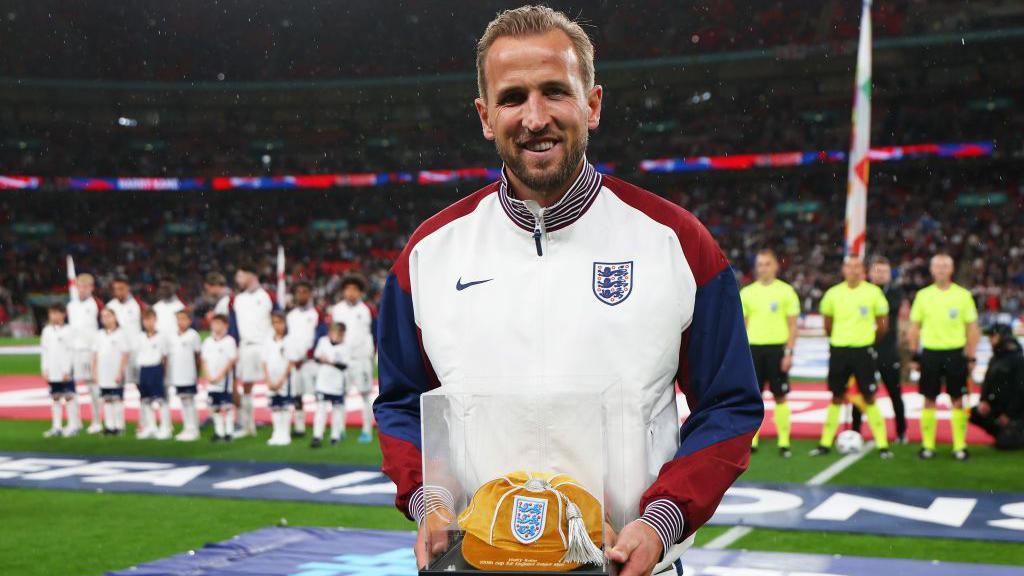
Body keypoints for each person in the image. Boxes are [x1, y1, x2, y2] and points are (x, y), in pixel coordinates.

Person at [373, 7, 762, 575]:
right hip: (478, 560)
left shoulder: (677, 243)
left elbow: (729, 404)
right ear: (485, 116)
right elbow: (402, 403)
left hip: (628, 564)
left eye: (555, 91)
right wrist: (427, 500)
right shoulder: (428, 254)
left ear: (593, 104)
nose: (534, 118)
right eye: (512, 98)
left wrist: (661, 522)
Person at [809, 257, 893, 459]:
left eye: (857, 267)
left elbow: (882, 326)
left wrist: (866, 341)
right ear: (843, 269)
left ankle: (882, 445)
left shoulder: (874, 293)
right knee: (837, 396)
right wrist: (840, 339)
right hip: (839, 350)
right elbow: (828, 324)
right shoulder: (833, 293)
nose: (853, 270)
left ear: (863, 270)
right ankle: (825, 443)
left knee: (869, 396)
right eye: (849, 266)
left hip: (863, 351)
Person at [908, 253, 980, 461]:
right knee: (929, 399)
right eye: (937, 266)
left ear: (951, 269)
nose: (940, 269)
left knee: (957, 399)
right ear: (931, 270)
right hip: (930, 353)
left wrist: (971, 357)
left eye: (945, 266)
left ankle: (960, 446)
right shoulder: (923, 295)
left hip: (955, 353)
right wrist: (915, 354)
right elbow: (914, 327)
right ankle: (928, 446)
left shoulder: (963, 296)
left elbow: (972, 329)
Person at [740, 249, 800, 458]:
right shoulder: (746, 293)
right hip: (753, 350)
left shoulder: (786, 292)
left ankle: (784, 441)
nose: (763, 268)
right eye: (760, 264)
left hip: (777, 349)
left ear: (776, 266)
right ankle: (752, 439)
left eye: (767, 264)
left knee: (780, 395)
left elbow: (793, 326)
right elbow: (742, 327)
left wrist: (789, 352)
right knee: (754, 397)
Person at [851, 257, 908, 443]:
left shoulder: (894, 292)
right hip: (864, 349)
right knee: (861, 392)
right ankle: (855, 431)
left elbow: (889, 308)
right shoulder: (861, 290)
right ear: (869, 273)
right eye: (877, 271)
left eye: (884, 271)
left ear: (890, 274)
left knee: (894, 393)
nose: (881, 274)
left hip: (887, 350)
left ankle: (901, 431)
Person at [231, 262, 275, 438]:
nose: (237, 279)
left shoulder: (266, 296)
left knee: (275, 386)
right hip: (246, 346)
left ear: (251, 275)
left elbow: (277, 319)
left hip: (266, 346)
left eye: (240, 275)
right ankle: (248, 425)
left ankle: (281, 427)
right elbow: (234, 326)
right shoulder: (238, 300)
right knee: (246, 386)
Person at [330, 275, 376, 443]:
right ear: (343, 291)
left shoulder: (366, 310)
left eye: (355, 290)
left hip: (362, 359)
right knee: (340, 395)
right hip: (343, 359)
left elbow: (374, 332)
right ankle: (339, 429)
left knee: (365, 395)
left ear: (360, 292)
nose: (351, 293)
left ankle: (367, 430)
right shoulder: (336, 310)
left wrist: (371, 355)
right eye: (348, 289)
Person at [970, 323, 1024, 449]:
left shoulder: (1018, 359)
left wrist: (1010, 414)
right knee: (974, 413)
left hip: (1016, 412)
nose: (989, 339)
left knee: (1006, 444)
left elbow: (1021, 390)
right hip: (998, 407)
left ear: (1003, 337)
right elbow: (987, 382)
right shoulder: (995, 358)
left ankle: (1012, 432)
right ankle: (1002, 433)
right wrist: (984, 400)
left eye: (993, 336)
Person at [287, 280, 326, 437]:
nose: (301, 294)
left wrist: (306, 355)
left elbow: (320, 337)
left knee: (318, 394)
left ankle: (318, 428)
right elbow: (288, 338)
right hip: (294, 362)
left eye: (305, 291)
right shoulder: (290, 316)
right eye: (299, 292)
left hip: (311, 361)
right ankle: (299, 426)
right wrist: (292, 357)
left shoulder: (316, 314)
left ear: (310, 294)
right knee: (297, 394)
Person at [67, 273, 104, 434]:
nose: (82, 289)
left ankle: (97, 421)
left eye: (85, 286)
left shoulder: (96, 304)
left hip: (91, 351)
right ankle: (75, 422)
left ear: (91, 287)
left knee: (93, 387)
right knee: (70, 388)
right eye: (79, 286)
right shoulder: (71, 305)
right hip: (74, 350)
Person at [40, 303, 80, 437]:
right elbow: (44, 351)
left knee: (69, 396)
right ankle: (56, 426)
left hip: (65, 370)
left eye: (56, 313)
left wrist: (67, 370)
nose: (53, 316)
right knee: (55, 398)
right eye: (51, 313)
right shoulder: (47, 331)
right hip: (52, 369)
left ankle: (73, 425)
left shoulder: (69, 330)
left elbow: (72, 352)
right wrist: (44, 369)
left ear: (63, 314)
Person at [201, 314, 238, 443]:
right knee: (214, 407)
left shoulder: (229, 341)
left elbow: (231, 360)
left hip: (224, 380)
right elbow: (204, 360)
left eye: (219, 323)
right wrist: (208, 375)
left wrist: (220, 375)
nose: (216, 326)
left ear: (225, 325)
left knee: (226, 406)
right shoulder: (208, 341)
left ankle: (229, 432)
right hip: (211, 380)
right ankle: (219, 432)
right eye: (214, 323)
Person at [93, 308, 129, 435]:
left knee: (117, 399)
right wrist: (94, 372)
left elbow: (125, 354)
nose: (106, 319)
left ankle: (119, 426)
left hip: (115, 372)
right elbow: (95, 354)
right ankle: (109, 425)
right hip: (103, 372)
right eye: (103, 316)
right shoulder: (99, 334)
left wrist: (120, 371)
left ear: (114, 317)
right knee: (107, 399)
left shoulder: (121, 334)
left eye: (108, 316)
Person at [136, 309, 172, 440]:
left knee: (161, 400)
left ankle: (165, 427)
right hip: (144, 369)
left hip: (156, 368)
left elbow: (165, 356)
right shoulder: (140, 337)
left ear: (155, 319)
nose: (148, 322)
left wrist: (165, 373)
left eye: (150, 319)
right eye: (145, 320)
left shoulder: (162, 336)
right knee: (146, 400)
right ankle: (151, 426)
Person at [312, 322, 349, 448]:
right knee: (320, 409)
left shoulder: (345, 347)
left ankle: (335, 436)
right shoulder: (323, 342)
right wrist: (322, 360)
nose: (337, 336)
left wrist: (330, 362)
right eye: (335, 333)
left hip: (337, 384)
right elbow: (316, 357)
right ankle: (317, 435)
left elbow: (344, 365)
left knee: (337, 411)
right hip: (323, 382)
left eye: (340, 334)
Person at [167, 309, 202, 441]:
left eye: (183, 319)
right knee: (182, 400)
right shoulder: (173, 336)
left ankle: (194, 428)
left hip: (189, 373)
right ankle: (187, 427)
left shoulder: (193, 335)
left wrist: (197, 373)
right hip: (177, 374)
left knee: (190, 400)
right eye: (178, 319)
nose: (180, 322)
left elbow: (198, 356)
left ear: (189, 321)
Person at [105, 276, 144, 392]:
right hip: (117, 353)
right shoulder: (110, 306)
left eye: (121, 288)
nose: (118, 292)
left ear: (128, 288)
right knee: (116, 384)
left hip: (135, 351)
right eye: (116, 289)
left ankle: (142, 409)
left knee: (139, 383)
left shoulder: (137, 304)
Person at [263, 311, 295, 446]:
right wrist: (268, 379)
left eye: (279, 322)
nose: (277, 325)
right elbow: (264, 361)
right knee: (275, 407)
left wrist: (282, 379)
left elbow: (290, 361)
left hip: (284, 380)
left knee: (284, 407)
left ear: (285, 323)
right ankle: (276, 433)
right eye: (274, 322)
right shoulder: (267, 341)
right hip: (271, 378)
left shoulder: (289, 340)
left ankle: (285, 433)